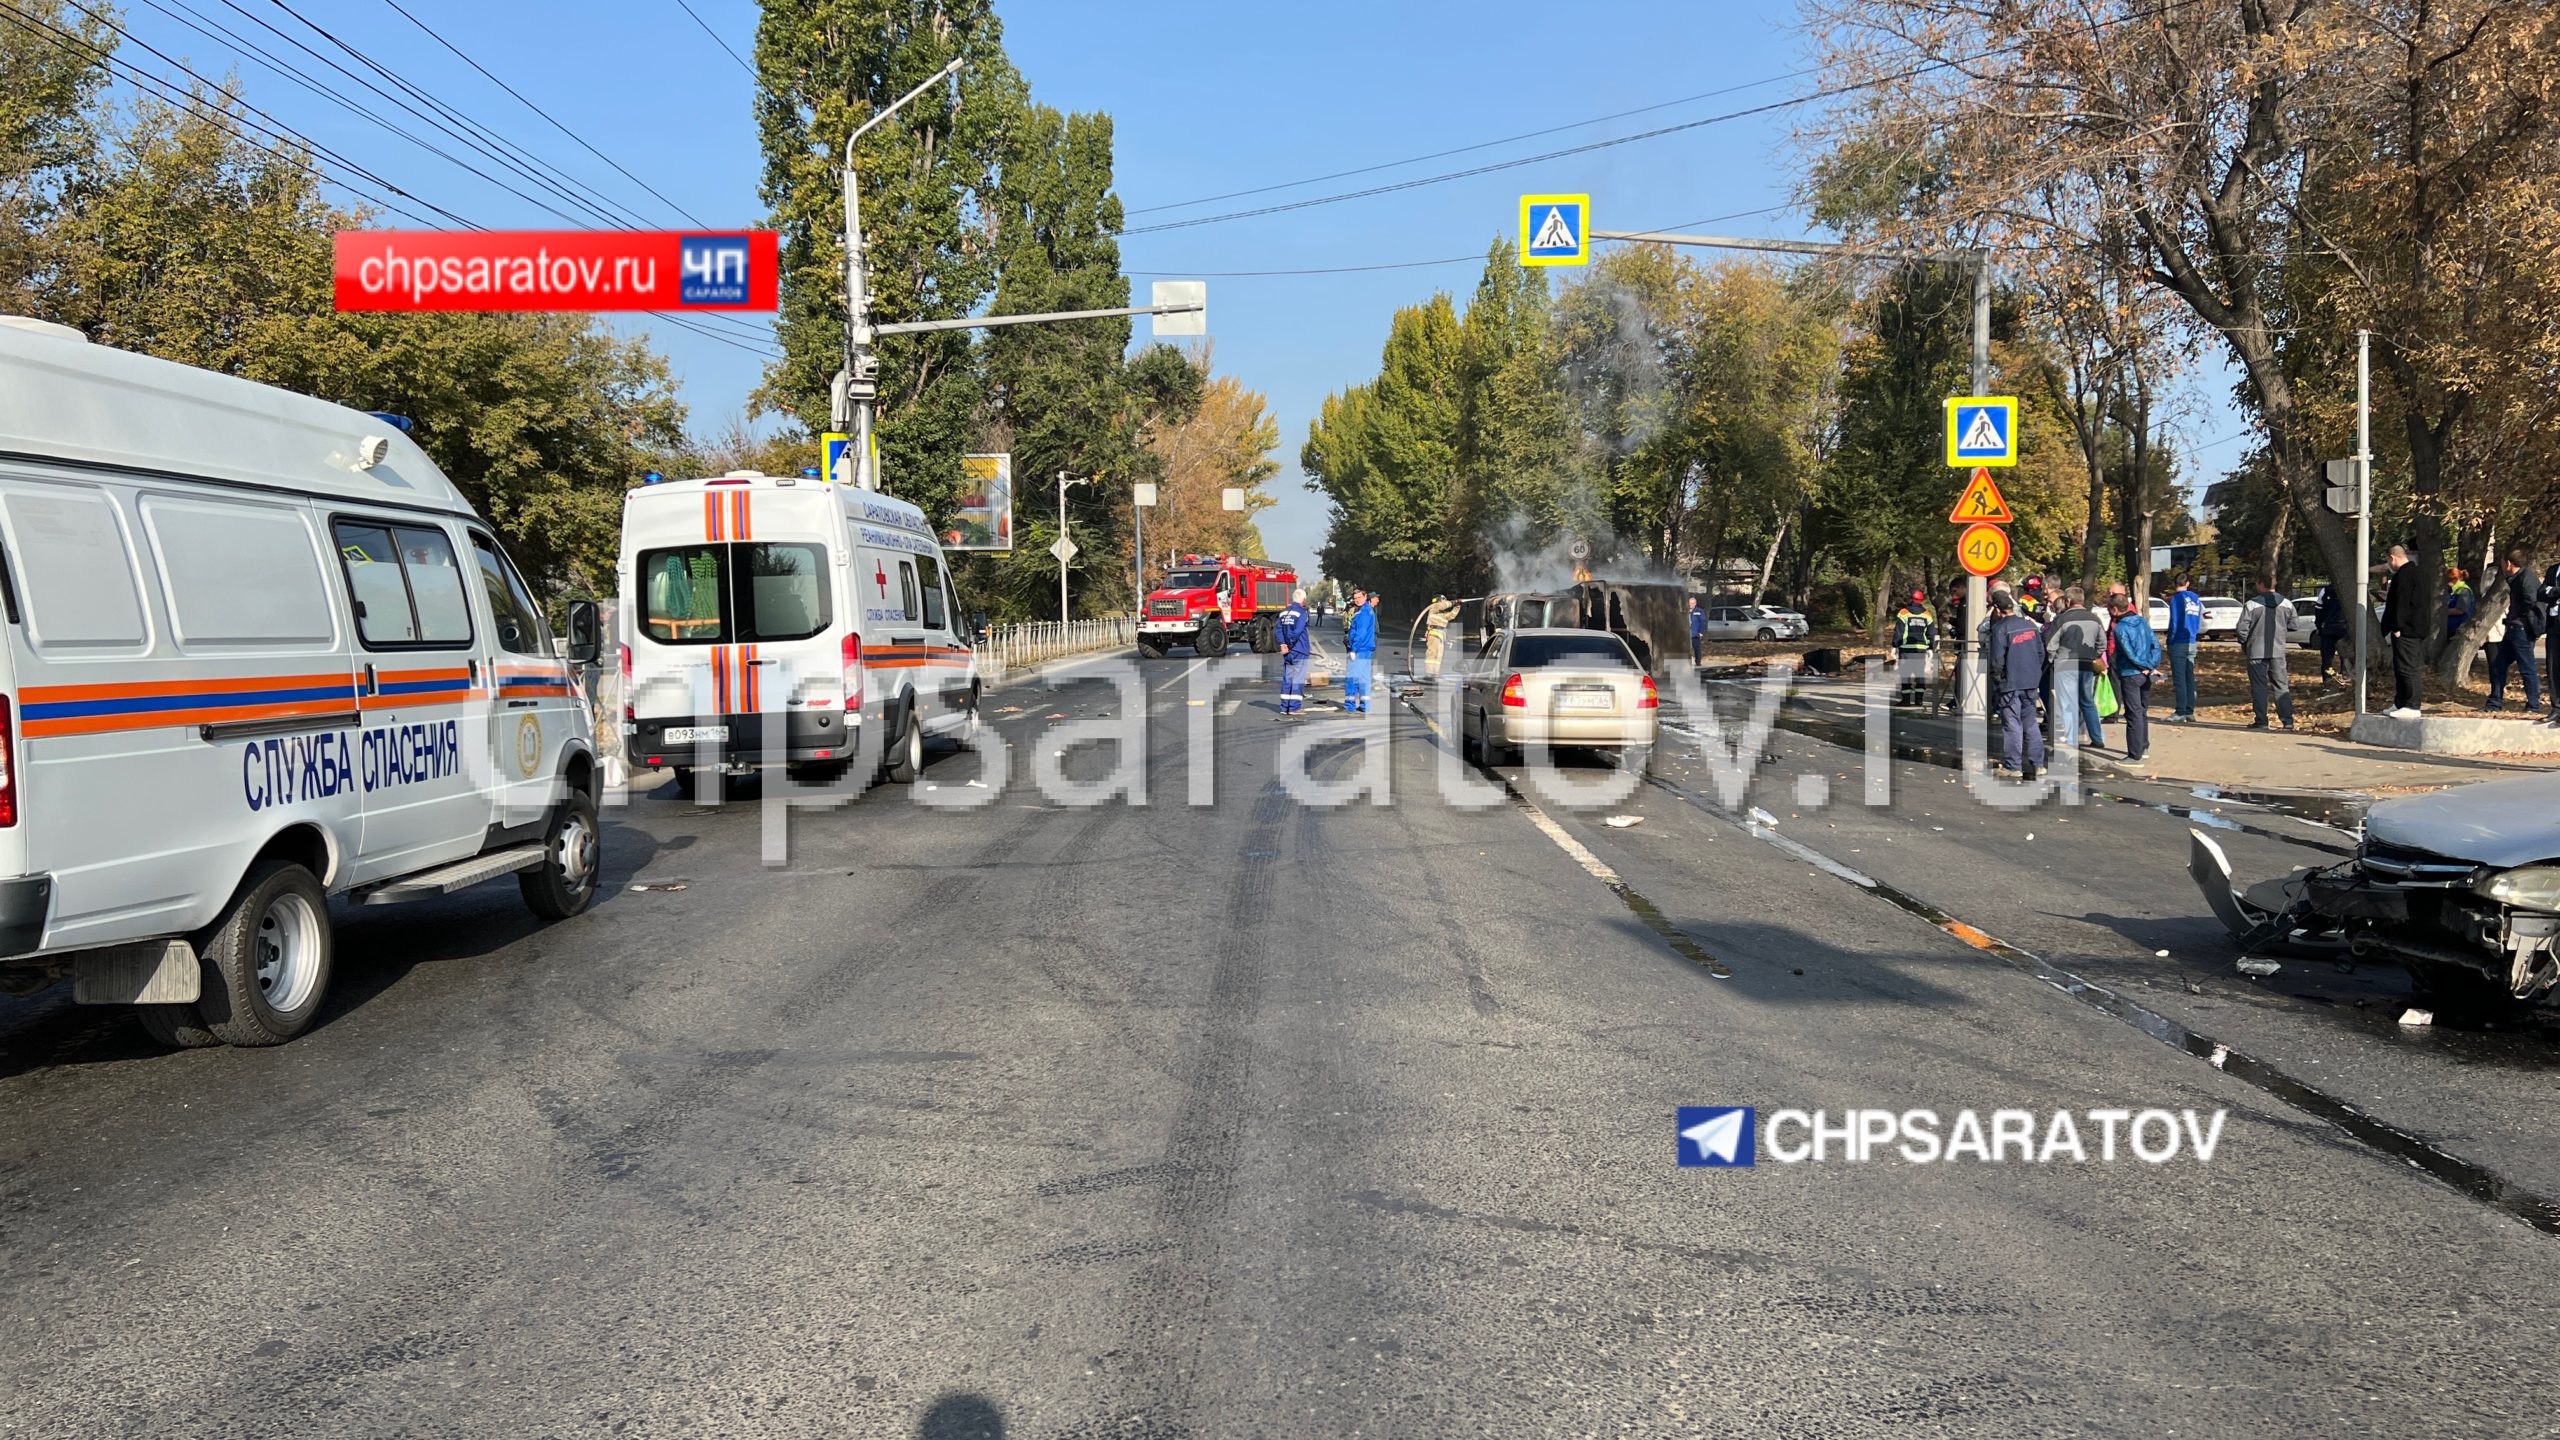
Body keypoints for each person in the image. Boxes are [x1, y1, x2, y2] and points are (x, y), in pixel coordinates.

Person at [1983, 592, 2046, 780]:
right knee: (2031, 722)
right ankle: (2039, 764)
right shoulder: (2030, 625)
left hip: (2010, 682)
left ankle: (2013, 766)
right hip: (2030, 681)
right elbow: (2040, 653)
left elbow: (1996, 659)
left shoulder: (2001, 628)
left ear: (1997, 609)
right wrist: (2034, 673)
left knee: (2012, 724)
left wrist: (1997, 678)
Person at [2043, 585, 2106, 749]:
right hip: (2086, 663)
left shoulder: (2062, 619)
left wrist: (2053, 660)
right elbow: (2102, 643)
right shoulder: (2095, 619)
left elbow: (2050, 644)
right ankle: (2097, 738)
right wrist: (2095, 656)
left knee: (2068, 702)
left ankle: (2071, 740)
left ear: (2068, 601)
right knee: (2088, 701)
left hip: (2065, 664)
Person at [2235, 574, 2297, 730]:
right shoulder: (2287, 604)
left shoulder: (2251, 605)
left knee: (2259, 686)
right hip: (2278, 650)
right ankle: (2287, 720)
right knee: (2281, 686)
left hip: (2256, 650)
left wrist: (2245, 642)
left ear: (2260, 584)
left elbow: (2242, 629)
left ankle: (2261, 720)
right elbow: (2294, 624)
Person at [2487, 548, 2546, 714]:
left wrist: (2520, 616)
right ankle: (2494, 702)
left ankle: (2533, 705)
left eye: (2502, 562)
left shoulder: (2526, 579)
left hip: (2521, 629)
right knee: (2499, 665)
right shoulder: (2516, 578)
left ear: (2508, 563)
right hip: (2513, 628)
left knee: (2527, 667)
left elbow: (2531, 600)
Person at [2108, 591, 2162, 764]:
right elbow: (2155, 644)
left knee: (2133, 713)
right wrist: (2151, 664)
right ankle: (2143, 744)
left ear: (2115, 610)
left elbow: (2128, 652)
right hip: (2144, 672)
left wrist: (2145, 666)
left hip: (2131, 673)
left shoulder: (2121, 629)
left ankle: (2134, 754)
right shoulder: (2142, 622)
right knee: (2142, 710)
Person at [2379, 545, 2423, 717]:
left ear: (2393, 558)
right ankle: (2400, 702)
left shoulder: (2406, 575)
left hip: (2407, 630)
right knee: (2400, 667)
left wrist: (2397, 626)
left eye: (2388, 561)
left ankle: (2412, 705)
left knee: (2408, 667)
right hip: (2408, 628)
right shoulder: (2412, 573)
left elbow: (2402, 603)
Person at [2163, 574, 2204, 723]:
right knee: (2189, 676)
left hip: (2178, 640)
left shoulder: (2176, 599)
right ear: (2187, 583)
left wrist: (2170, 639)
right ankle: (2189, 709)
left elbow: (2174, 620)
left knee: (2179, 678)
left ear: (2175, 583)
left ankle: (2180, 711)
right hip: (2191, 639)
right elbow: (2199, 617)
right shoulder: (2195, 598)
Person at [1891, 588, 1936, 707]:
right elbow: (1931, 633)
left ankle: (1906, 700)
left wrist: (1895, 645)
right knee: (1920, 675)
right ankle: (1919, 700)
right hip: (1921, 650)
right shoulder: (1927, 614)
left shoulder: (1904, 613)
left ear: (1911, 599)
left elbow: (1899, 631)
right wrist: (1931, 647)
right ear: (1921, 600)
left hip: (1906, 649)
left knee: (1905, 674)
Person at [1274, 588, 1312, 719]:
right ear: (1302, 599)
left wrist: (1283, 644)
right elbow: (1297, 631)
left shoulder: (1283, 613)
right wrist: (1290, 644)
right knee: (1298, 679)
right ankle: (1295, 707)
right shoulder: (1302, 612)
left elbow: (1278, 630)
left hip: (1287, 651)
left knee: (1288, 678)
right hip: (1299, 649)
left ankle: (1285, 707)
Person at [1344, 589, 1378, 713]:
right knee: (1364, 678)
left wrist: (1353, 649)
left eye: (1359, 597)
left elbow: (1360, 633)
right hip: (1365, 649)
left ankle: (1350, 705)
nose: (1357, 600)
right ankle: (1365, 705)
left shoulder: (1363, 613)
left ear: (1365, 597)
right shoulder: (1367, 610)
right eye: (1355, 598)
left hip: (1360, 649)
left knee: (1352, 677)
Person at [2314, 579, 2350, 685]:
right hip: (2345, 629)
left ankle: (2328, 679)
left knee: (2327, 658)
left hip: (2328, 629)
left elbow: (2318, 610)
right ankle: (2345, 677)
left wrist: (2319, 626)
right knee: (2346, 657)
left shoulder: (2325, 590)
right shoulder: (2349, 590)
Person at [1422, 594, 1461, 678]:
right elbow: (1442, 605)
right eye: (1444, 600)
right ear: (1440, 600)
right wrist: (1453, 602)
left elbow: (1452, 615)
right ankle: (1429, 673)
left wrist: (1457, 606)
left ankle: (1435, 673)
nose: (1445, 601)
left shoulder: (1443, 613)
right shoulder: (1434, 608)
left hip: (1441, 635)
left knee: (1438, 656)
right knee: (1432, 654)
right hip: (1433, 633)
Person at [2445, 568, 2474, 640]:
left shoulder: (2464, 591)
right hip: (2451, 627)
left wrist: (2443, 612)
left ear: (2454, 579)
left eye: (2449, 580)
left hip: (2459, 627)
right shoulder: (2453, 590)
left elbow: (2460, 610)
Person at [1688, 596, 1707, 666]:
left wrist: (1701, 632)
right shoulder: (1685, 611)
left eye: (1692, 603)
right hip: (1687, 634)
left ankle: (1698, 661)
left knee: (1697, 649)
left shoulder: (1699, 611)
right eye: (1690, 603)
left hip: (1695, 633)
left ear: (1695, 603)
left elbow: (1703, 622)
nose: (1691, 605)